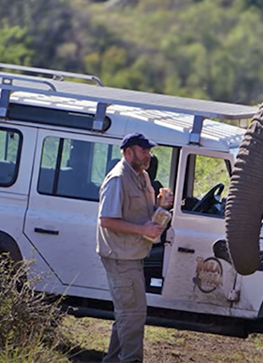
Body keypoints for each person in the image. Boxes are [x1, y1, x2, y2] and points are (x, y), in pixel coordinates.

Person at [96, 132, 173, 363]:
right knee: (133, 316)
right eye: (143, 150)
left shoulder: (142, 176)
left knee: (126, 316)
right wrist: (143, 231)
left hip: (132, 255)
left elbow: (140, 213)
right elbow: (106, 220)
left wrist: (161, 205)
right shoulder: (118, 179)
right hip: (121, 257)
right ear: (128, 152)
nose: (148, 155)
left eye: (149, 151)